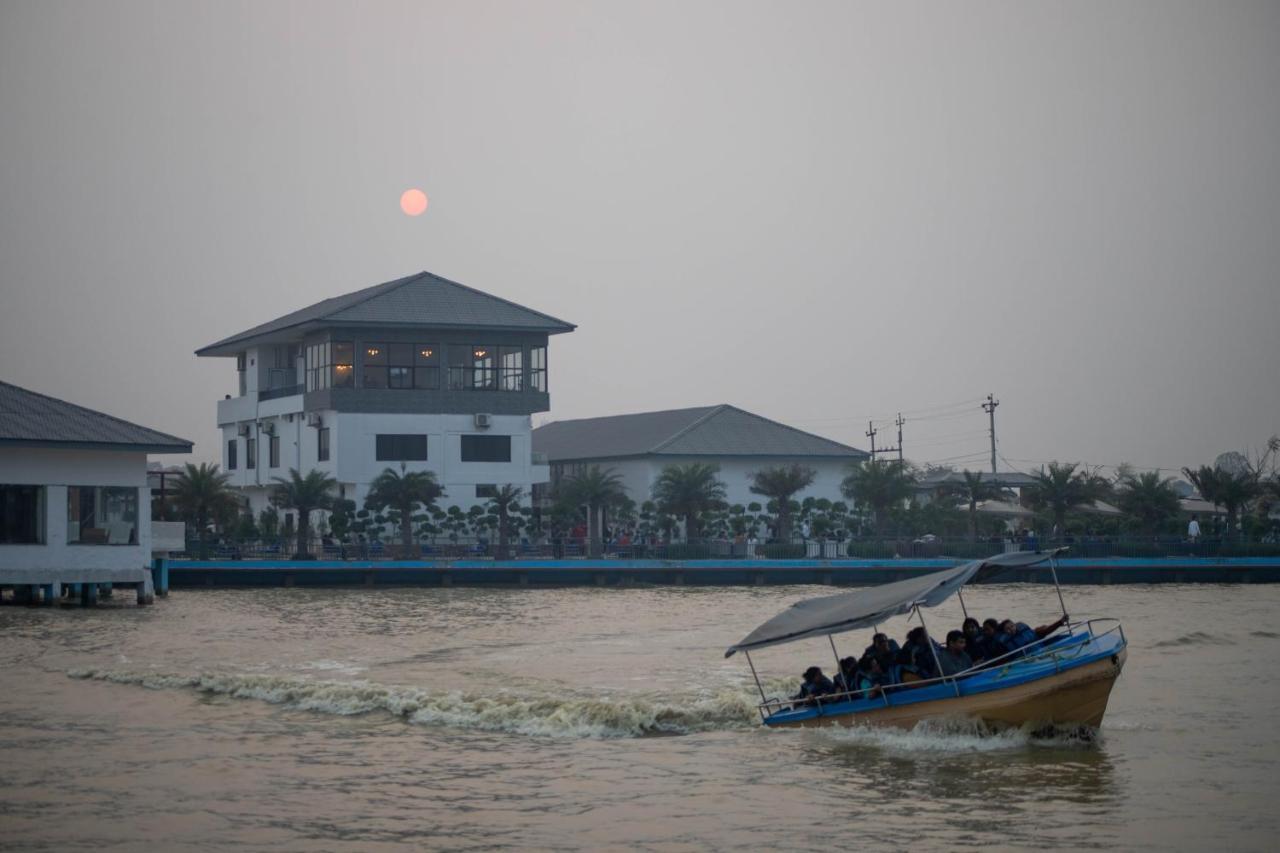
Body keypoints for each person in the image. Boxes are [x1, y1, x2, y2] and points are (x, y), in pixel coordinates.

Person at [999, 613, 1070, 655]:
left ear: (1015, 625)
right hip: (1028, 659)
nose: (1011, 629)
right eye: (1007, 629)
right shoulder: (1006, 643)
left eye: (1012, 626)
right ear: (1005, 632)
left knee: (1063, 637)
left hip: (1042, 649)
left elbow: (1046, 631)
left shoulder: (1025, 630)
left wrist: (1060, 622)